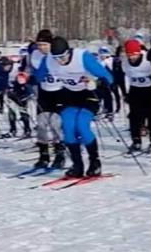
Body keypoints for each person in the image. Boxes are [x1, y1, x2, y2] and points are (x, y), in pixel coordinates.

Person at [40, 36, 115, 178]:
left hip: (89, 94)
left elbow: (108, 78)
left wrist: (97, 82)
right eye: (56, 58)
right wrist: (24, 80)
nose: (60, 61)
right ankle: (77, 165)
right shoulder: (49, 60)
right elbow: (38, 75)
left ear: (68, 52)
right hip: (69, 96)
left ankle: (94, 163)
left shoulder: (82, 57)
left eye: (62, 57)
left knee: (82, 125)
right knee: (68, 127)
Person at [24, 30, 68, 172]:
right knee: (42, 124)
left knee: (56, 124)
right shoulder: (34, 55)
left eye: (44, 44)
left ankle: (59, 154)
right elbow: (30, 72)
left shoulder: (56, 54)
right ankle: (43, 156)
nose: (41, 47)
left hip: (60, 91)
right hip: (44, 92)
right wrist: (24, 79)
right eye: (39, 44)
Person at [121, 38, 151, 153]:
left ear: (139, 52)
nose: (132, 57)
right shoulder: (125, 63)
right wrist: (125, 93)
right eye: (129, 55)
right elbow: (124, 78)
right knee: (134, 116)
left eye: (134, 54)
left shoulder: (148, 58)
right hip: (136, 89)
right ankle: (136, 141)